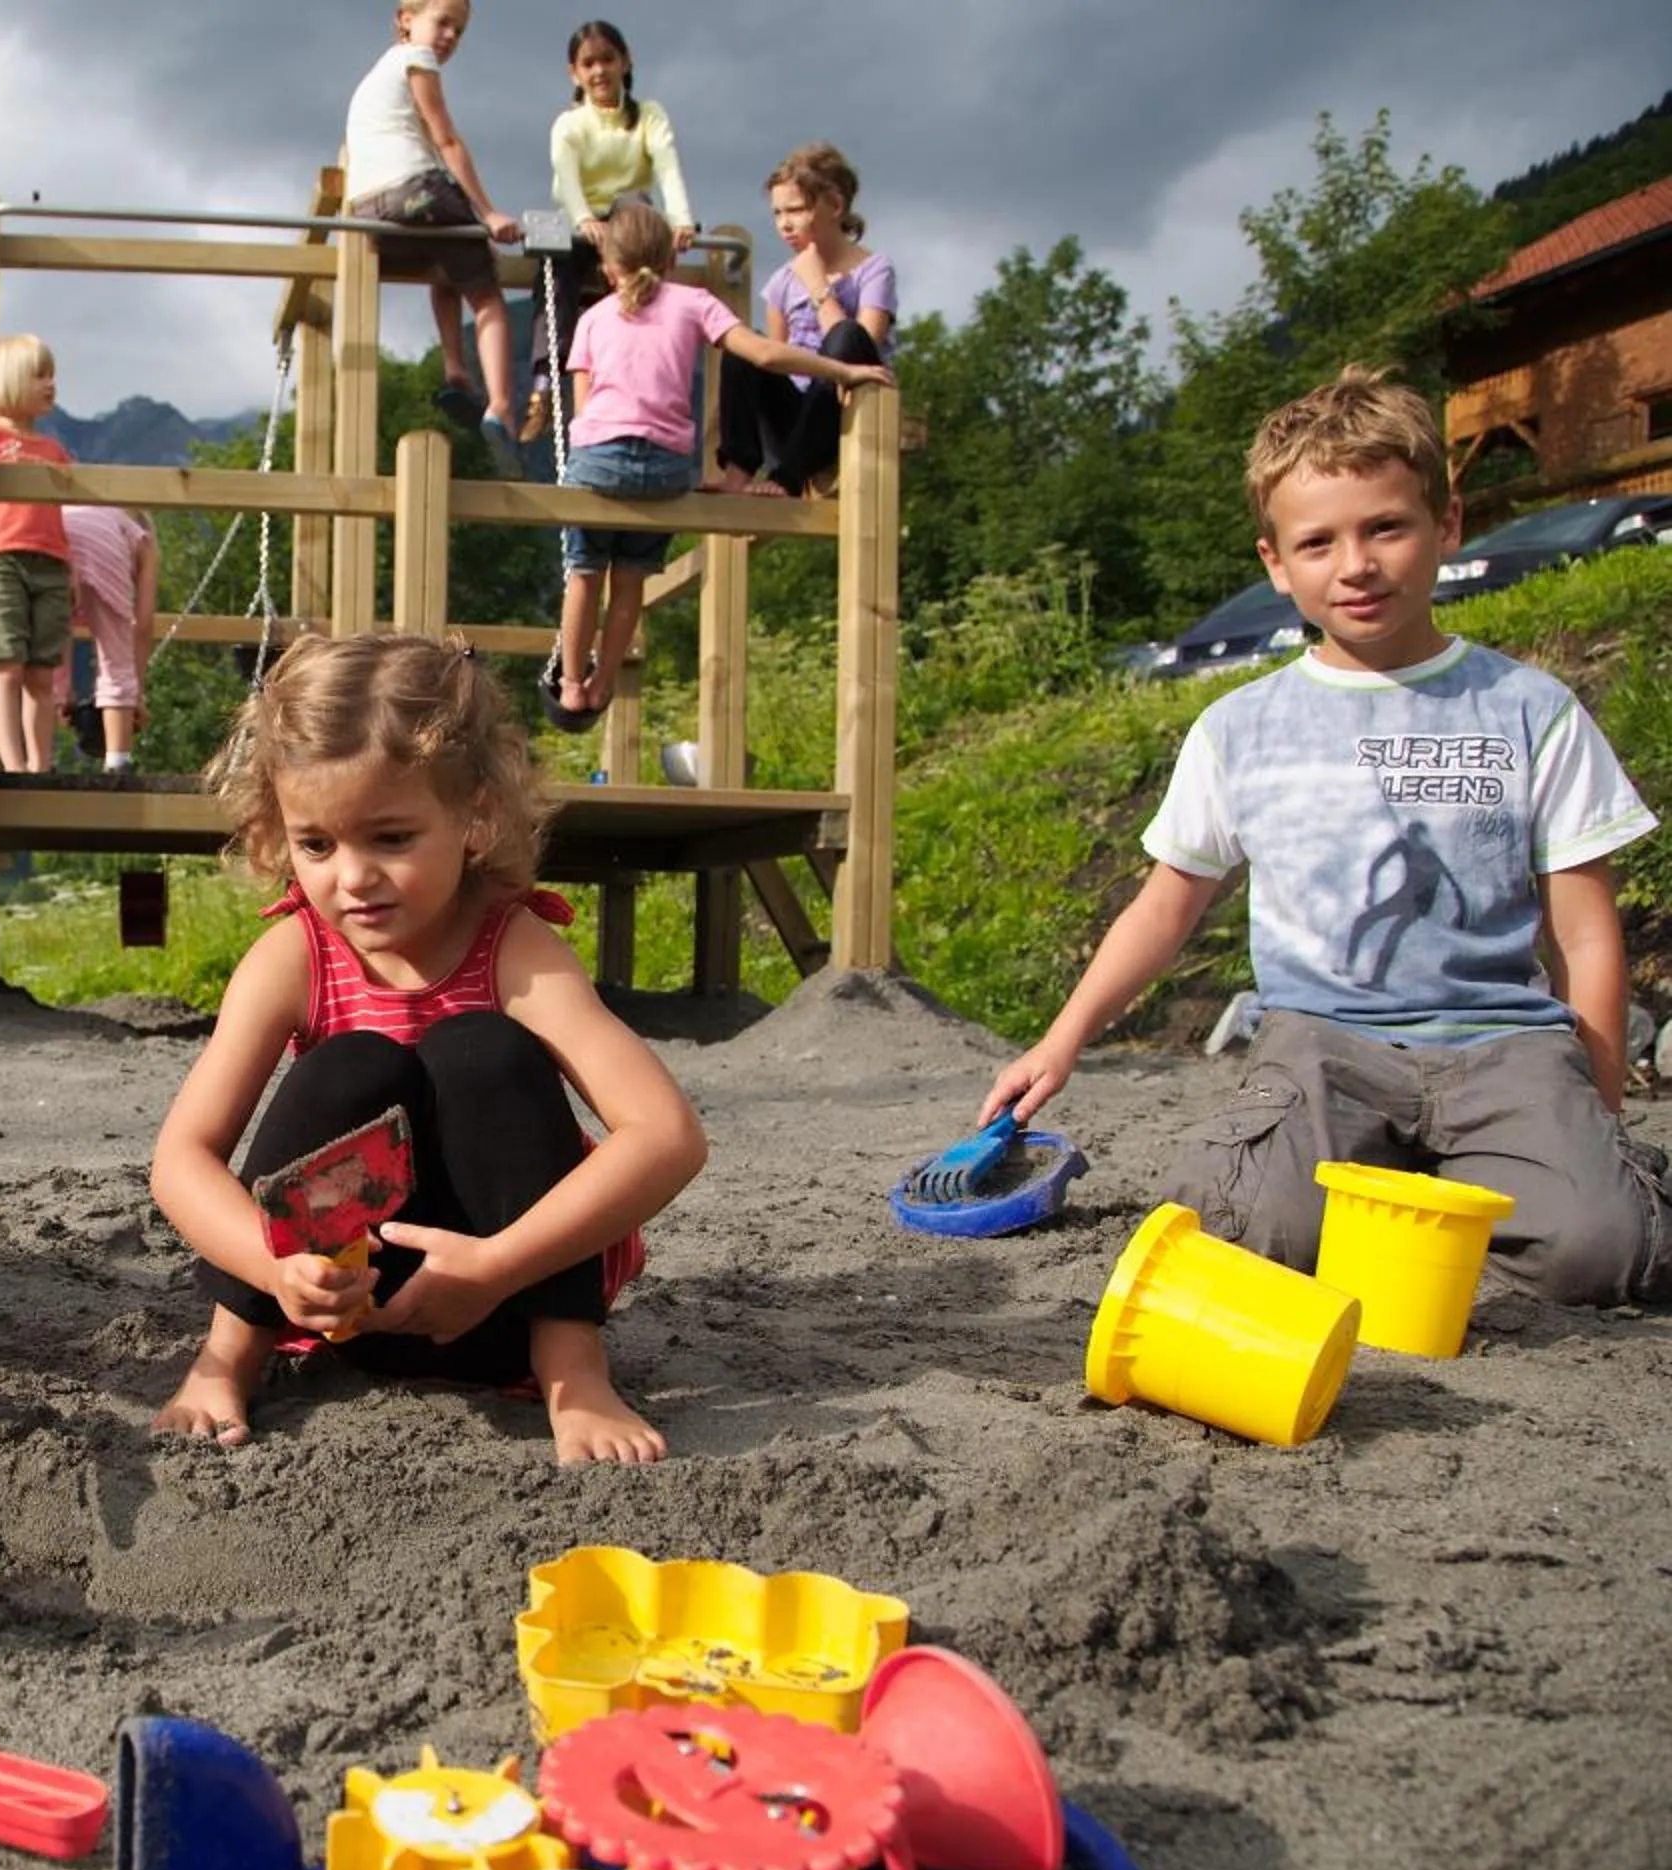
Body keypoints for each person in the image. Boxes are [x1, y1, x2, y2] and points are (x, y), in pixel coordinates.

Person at [981, 367, 1671, 1304]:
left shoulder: (1528, 709)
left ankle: (1502, 1185)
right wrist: (1060, 1042)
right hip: (1321, 1048)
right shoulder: (1238, 728)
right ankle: (1397, 1196)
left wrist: (1596, 1097)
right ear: (1276, 563)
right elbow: (1165, 906)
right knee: (1235, 1230)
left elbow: (1586, 931)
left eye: (1386, 526)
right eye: (1319, 542)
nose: (1356, 564)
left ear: (1447, 524)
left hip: (1503, 1046)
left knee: (1605, 1253)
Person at [149, 631, 710, 1462]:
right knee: (352, 1067)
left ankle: (575, 1376)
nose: (353, 878)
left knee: (482, 1050)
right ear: (279, 830)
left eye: (391, 838)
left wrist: (494, 1266)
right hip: (339, 1305)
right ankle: (225, 1359)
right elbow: (181, 1160)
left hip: (500, 1307)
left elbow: (667, 1136)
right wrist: (277, 1272)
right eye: (317, 844)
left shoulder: (514, 949)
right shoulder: (295, 957)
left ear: (473, 813)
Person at [542, 203, 891, 726]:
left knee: (585, 576)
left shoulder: (592, 319)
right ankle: (605, 681)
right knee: (631, 581)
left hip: (599, 467)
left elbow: (585, 413)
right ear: (669, 259)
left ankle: (571, 685)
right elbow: (766, 356)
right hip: (663, 472)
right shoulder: (694, 301)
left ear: (608, 268)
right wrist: (843, 368)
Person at [343, 0, 527, 475]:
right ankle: (502, 407)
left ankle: (456, 370)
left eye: (459, 31)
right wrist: (489, 214)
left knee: (446, 263)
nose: (449, 37)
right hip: (416, 188)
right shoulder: (415, 59)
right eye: (442, 22)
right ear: (405, 19)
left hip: (371, 209)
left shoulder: (372, 77)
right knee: (486, 292)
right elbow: (447, 142)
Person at [525, 19, 695, 446]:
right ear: (575, 73)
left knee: (633, 206)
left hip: (627, 220)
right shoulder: (570, 124)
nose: (599, 71)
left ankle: (631, 372)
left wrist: (681, 219)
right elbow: (566, 177)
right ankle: (544, 388)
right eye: (588, 64)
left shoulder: (648, 116)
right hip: (582, 223)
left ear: (625, 62)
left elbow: (667, 166)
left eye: (607, 60)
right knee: (555, 273)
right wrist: (584, 220)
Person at [706, 142, 895, 501]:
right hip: (794, 425)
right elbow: (776, 358)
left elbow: (862, 349)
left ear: (835, 206)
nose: (785, 225)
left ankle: (787, 478)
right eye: (777, 214)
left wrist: (817, 286)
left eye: (796, 210)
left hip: (846, 414)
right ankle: (738, 470)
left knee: (847, 335)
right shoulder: (781, 283)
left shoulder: (874, 270)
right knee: (747, 349)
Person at [0, 332, 73, 772]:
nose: (51, 383)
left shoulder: (54, 451)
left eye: (52, 374)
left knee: (41, 672)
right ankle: (14, 766)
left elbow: (65, 513)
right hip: (1, 558)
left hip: (51, 561)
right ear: (8, 380)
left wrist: (70, 567)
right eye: (39, 375)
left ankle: (40, 765)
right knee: (6, 665)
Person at [63, 503, 158, 773]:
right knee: (117, 658)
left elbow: (61, 633)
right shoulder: (142, 539)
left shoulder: (93, 514)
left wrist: (64, 692)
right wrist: (135, 692)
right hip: (99, 545)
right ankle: (118, 762)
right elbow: (142, 624)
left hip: (52, 533)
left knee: (46, 649)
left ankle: (36, 765)